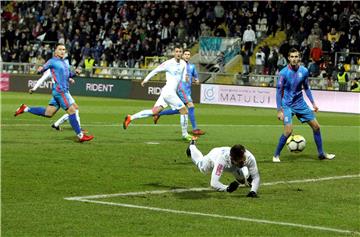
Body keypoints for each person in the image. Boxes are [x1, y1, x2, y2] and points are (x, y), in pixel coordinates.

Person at [14, 43, 94, 142]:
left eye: (64, 49)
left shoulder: (65, 62)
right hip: (61, 91)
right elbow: (42, 69)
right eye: (60, 49)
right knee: (73, 111)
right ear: (55, 51)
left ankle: (25, 108)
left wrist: (75, 73)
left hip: (59, 91)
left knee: (48, 113)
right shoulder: (52, 61)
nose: (62, 51)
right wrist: (39, 70)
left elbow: (68, 75)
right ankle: (80, 135)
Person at [273, 48, 335, 162]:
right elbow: (278, 92)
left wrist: (313, 103)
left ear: (299, 58)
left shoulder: (304, 71)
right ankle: (276, 155)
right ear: (288, 58)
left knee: (316, 127)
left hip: (300, 103)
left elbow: (306, 87)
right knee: (288, 131)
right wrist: (279, 110)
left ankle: (321, 154)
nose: (294, 59)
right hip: (287, 105)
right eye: (292, 57)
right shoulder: (283, 73)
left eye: (296, 56)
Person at [123, 46, 192, 141]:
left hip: (168, 92)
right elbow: (155, 70)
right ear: (174, 53)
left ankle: (130, 117)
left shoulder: (183, 63)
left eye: (180, 51)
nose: (179, 53)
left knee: (154, 112)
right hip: (168, 92)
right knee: (184, 110)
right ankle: (185, 135)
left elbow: (183, 78)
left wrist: (187, 79)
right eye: (177, 51)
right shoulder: (168, 63)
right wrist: (145, 80)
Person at [153, 49, 205, 136]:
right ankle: (195, 129)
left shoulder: (191, 66)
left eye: (189, 54)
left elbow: (196, 77)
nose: (187, 56)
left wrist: (196, 80)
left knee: (181, 110)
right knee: (191, 106)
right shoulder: (178, 65)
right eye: (185, 54)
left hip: (187, 90)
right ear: (182, 55)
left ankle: (159, 114)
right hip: (181, 88)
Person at [186, 138, 260, 197]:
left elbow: (256, 176)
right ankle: (192, 147)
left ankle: (247, 177)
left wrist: (253, 191)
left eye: (244, 159)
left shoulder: (249, 157)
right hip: (212, 158)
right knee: (202, 167)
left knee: (242, 181)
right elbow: (214, 183)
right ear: (232, 159)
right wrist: (227, 188)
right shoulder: (222, 160)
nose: (244, 162)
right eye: (241, 161)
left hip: (234, 165)